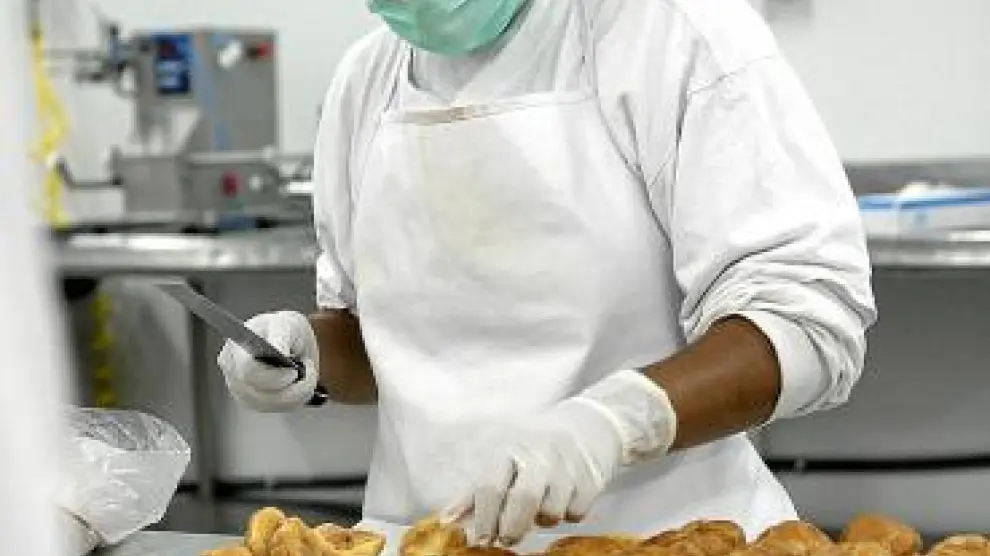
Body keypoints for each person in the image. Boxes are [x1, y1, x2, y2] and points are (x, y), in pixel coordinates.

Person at [217, 0, 876, 549]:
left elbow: (804, 320)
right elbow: (383, 342)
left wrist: (614, 423)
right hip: (428, 538)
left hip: (669, 536)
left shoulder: (670, 35)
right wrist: (307, 352)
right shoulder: (366, 80)